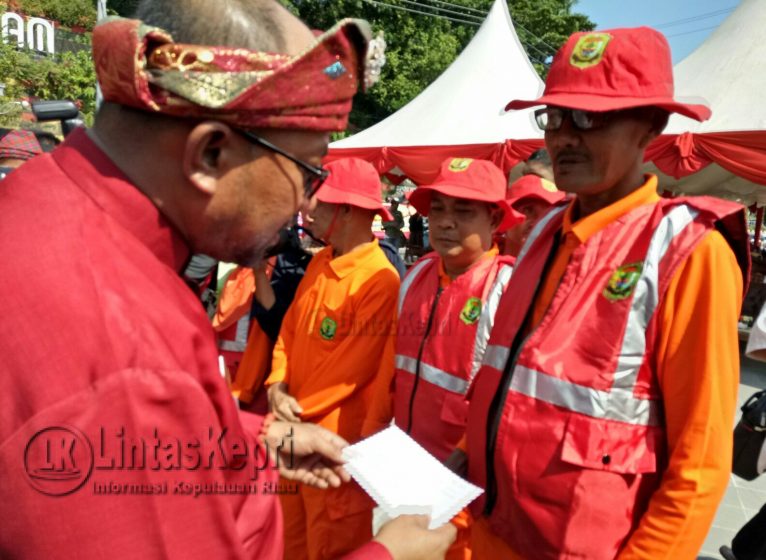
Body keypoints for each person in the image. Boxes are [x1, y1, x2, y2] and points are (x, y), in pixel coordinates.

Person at [0, 1, 455, 558]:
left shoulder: (48, 206)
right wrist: (389, 556)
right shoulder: (128, 357)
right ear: (211, 154)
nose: (304, 205)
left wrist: (247, 437)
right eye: (309, 172)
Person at [455, 27, 751, 559]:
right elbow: (506, 382)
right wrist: (462, 456)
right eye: (555, 117)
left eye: (590, 118)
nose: (564, 137)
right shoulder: (541, 236)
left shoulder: (688, 253)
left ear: (651, 126)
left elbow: (700, 464)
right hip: (488, 534)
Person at [363, 157, 521, 560]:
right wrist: (374, 432)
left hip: (465, 486)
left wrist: (465, 457)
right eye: (438, 209)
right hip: (405, 472)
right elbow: (390, 366)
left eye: (463, 211)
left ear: (494, 219)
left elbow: (510, 399)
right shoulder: (417, 275)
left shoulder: (506, 288)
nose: (445, 222)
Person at [266, 157, 402, 559]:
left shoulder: (379, 280)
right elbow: (288, 333)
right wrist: (276, 385)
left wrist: (293, 413)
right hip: (295, 433)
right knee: (289, 541)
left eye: (318, 201)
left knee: (331, 545)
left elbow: (351, 371)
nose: (308, 209)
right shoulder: (322, 262)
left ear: (344, 210)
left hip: (334, 445)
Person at [502, 174, 565, 258]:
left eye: (548, 215)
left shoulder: (563, 267)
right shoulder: (481, 259)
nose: (537, 222)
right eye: (528, 210)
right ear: (504, 216)